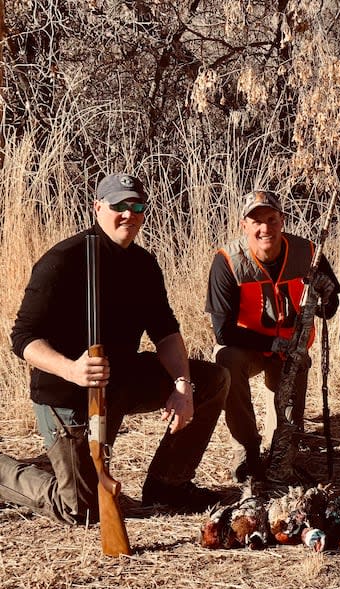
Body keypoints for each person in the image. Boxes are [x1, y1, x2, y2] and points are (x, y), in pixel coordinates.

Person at [0, 173, 230, 525]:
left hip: (121, 382)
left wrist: (183, 385)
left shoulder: (144, 264)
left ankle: (169, 485)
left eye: (137, 206)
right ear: (97, 207)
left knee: (212, 379)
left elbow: (166, 332)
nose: (129, 214)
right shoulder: (62, 260)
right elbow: (23, 338)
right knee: (81, 510)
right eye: (118, 206)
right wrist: (71, 369)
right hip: (66, 394)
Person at [206, 189, 340, 485]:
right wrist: (270, 343)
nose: (264, 228)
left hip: (292, 354)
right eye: (256, 221)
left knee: (285, 440)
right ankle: (245, 448)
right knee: (225, 360)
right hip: (248, 347)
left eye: (271, 219)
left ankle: (281, 446)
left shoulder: (307, 252)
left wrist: (323, 292)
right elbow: (223, 331)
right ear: (244, 225)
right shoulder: (228, 261)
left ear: (282, 220)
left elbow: (330, 309)